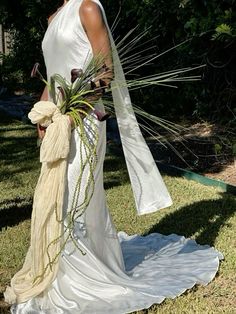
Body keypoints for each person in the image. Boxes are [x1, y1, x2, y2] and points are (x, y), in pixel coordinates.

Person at [5, 0, 223, 313]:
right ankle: (59, 267)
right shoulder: (53, 17)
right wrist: (45, 112)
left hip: (85, 120)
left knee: (75, 194)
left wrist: (72, 110)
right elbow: (54, 74)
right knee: (57, 196)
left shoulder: (89, 8)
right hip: (57, 121)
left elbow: (104, 71)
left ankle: (81, 276)